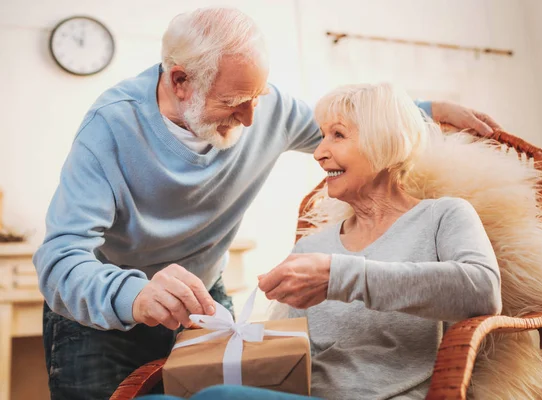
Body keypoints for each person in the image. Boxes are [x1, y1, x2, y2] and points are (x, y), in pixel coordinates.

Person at [33, 7, 501, 400]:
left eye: (258, 98)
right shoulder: (110, 127)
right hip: (100, 308)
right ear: (180, 82)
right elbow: (59, 259)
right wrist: (133, 294)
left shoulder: (442, 214)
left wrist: (426, 110)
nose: (255, 118)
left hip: (200, 301)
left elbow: (363, 131)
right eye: (235, 102)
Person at [256, 83, 502, 399]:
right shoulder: (310, 249)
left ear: (383, 141)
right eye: (321, 136)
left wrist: (339, 277)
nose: (318, 153)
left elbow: (482, 291)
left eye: (338, 135)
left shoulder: (443, 216)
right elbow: (290, 361)